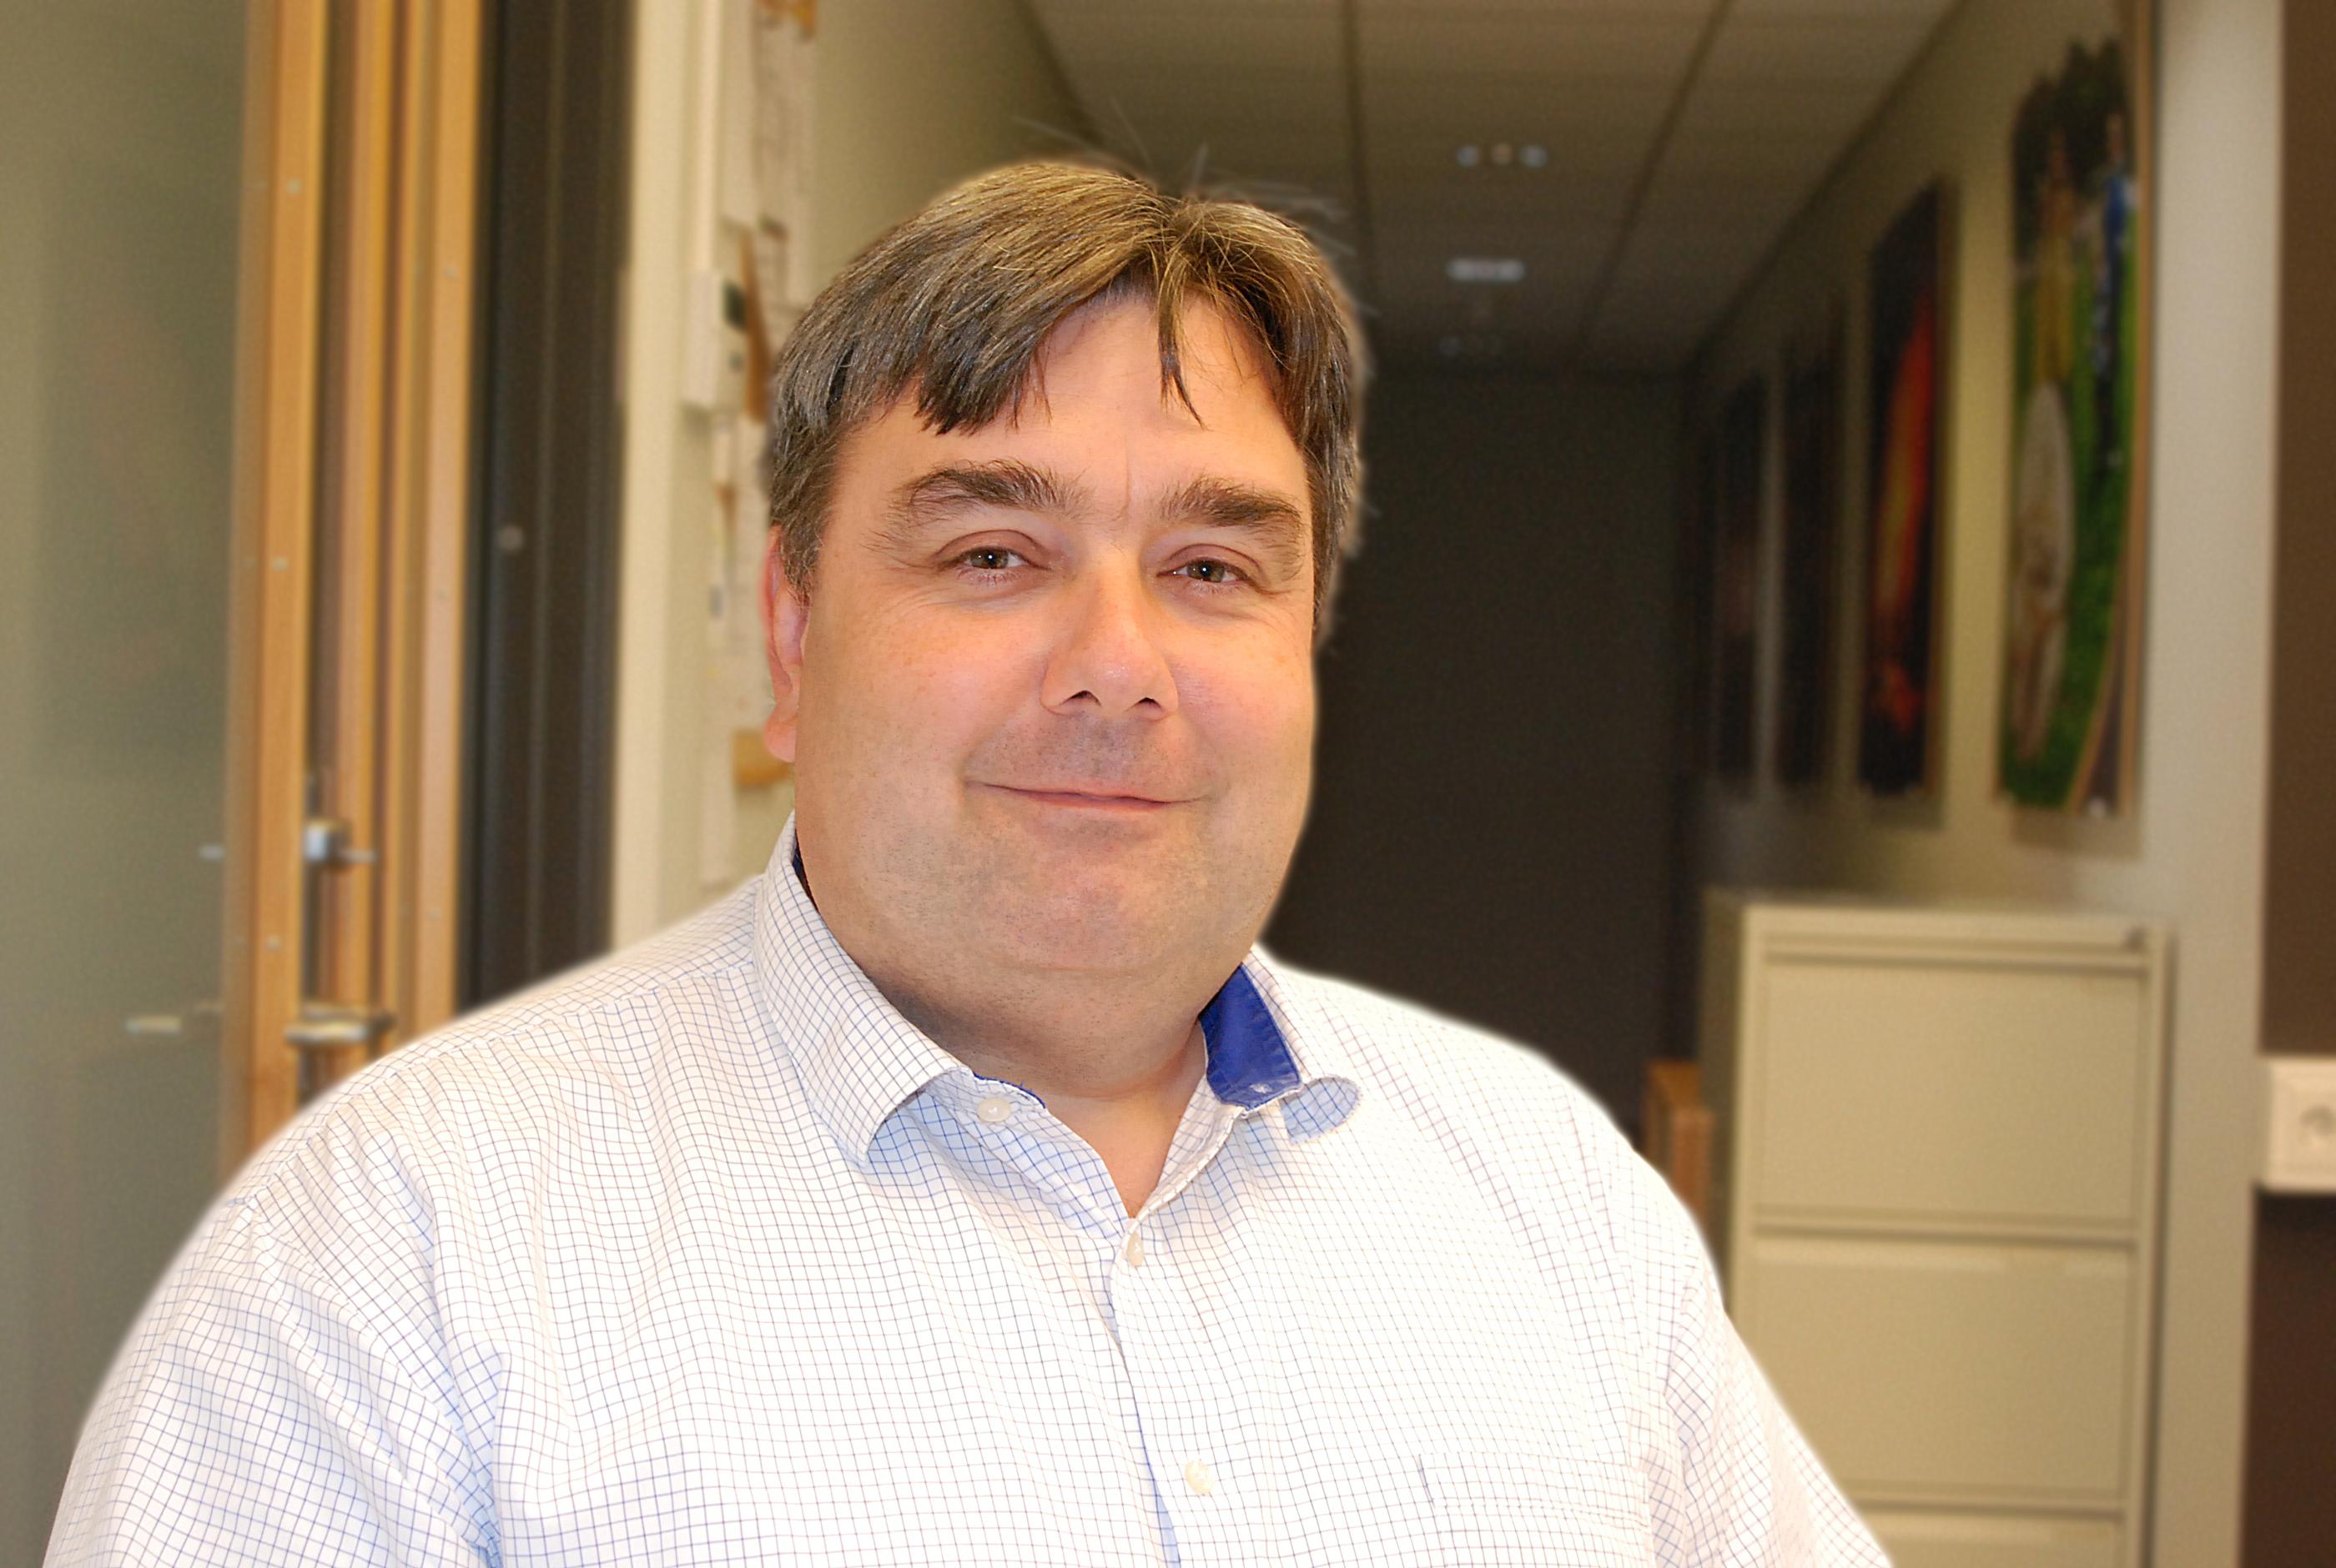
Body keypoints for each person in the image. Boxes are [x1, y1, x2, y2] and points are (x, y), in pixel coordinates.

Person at [48, 161, 1885, 1566]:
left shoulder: (1550, 1196)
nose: (1117, 664)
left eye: (1214, 568)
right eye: (993, 554)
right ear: (789, 636)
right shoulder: (395, 1253)